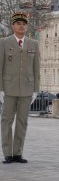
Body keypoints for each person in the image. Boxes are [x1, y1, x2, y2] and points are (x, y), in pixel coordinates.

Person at [0, 12, 40, 164]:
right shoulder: (4, 43)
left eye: (24, 23)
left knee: (22, 121)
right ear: (13, 26)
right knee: (6, 121)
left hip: (26, 88)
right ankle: (7, 153)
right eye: (18, 23)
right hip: (8, 88)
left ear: (27, 26)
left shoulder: (33, 44)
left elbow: (36, 68)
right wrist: (0, 89)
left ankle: (17, 153)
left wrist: (36, 89)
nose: (21, 26)